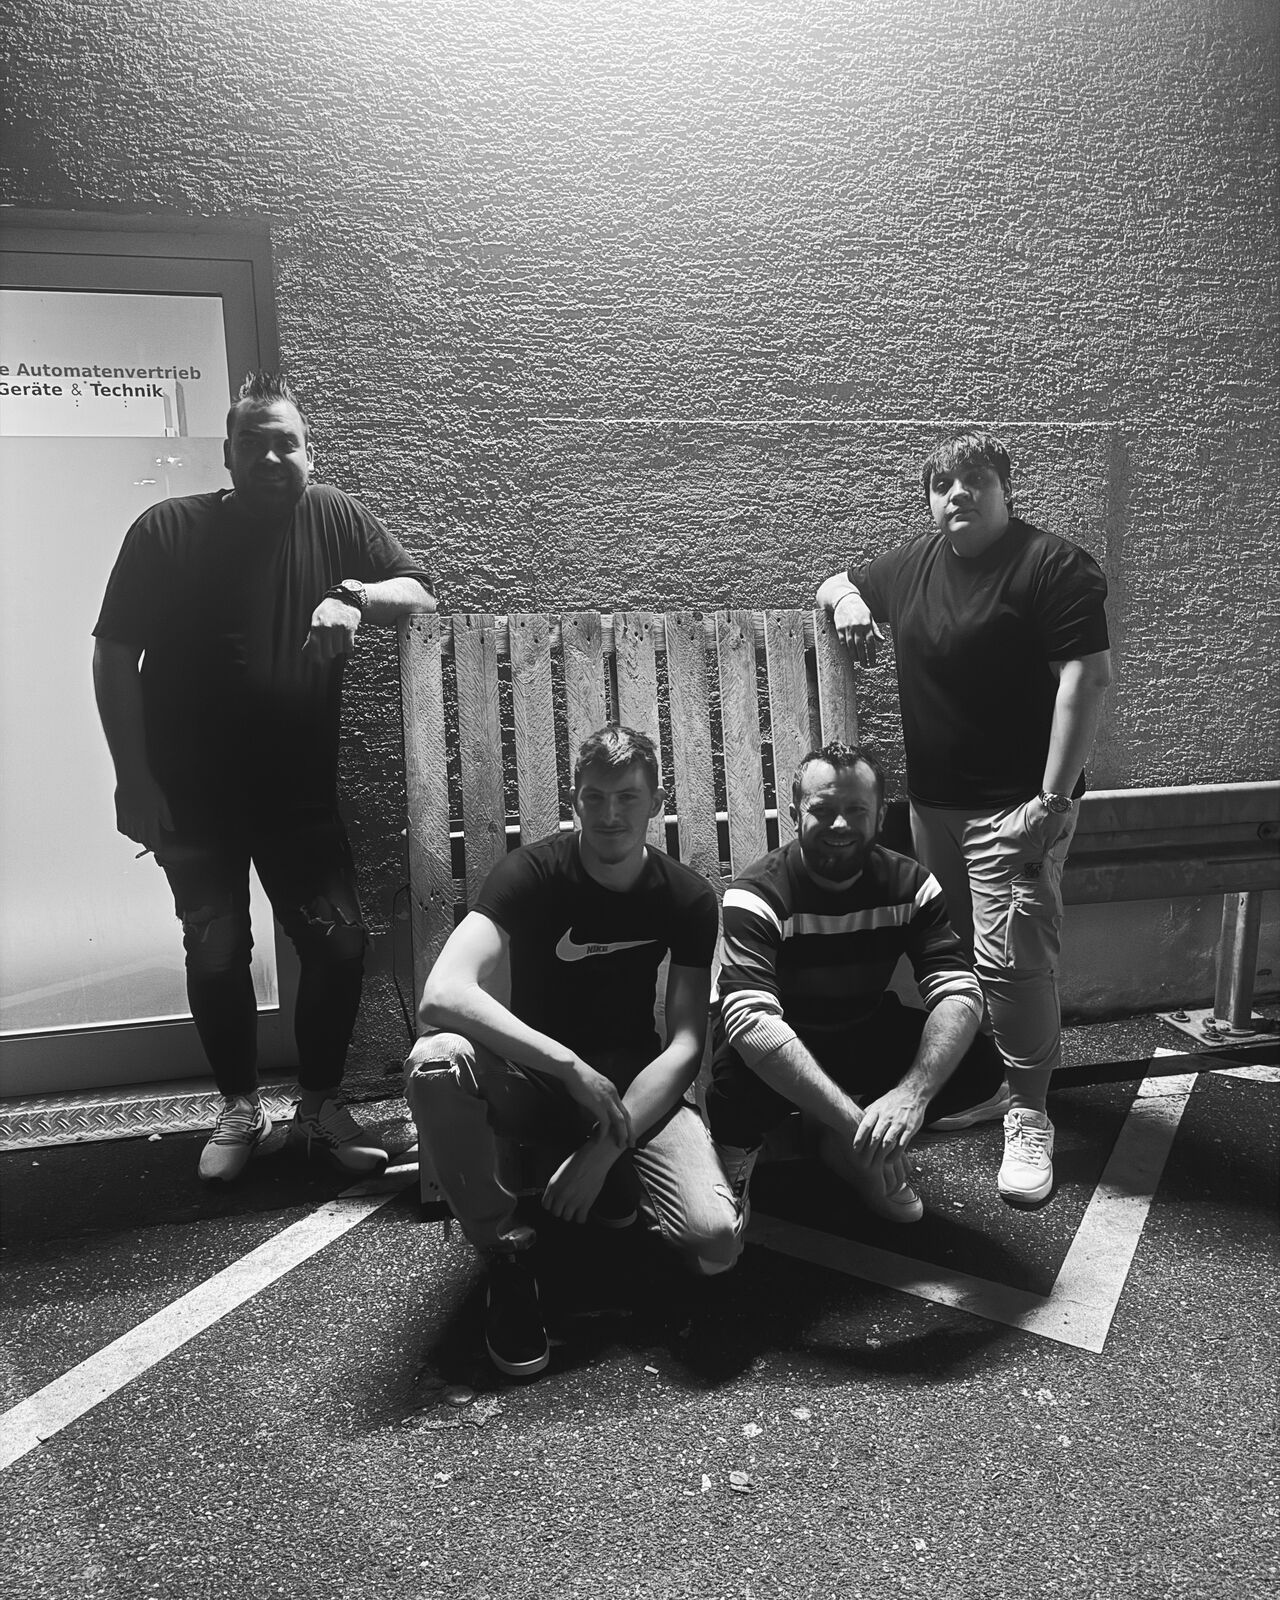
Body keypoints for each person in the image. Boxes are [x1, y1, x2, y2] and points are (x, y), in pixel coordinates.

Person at [93, 372, 436, 1183]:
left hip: (297, 797)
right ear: (228, 454)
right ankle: (240, 1108)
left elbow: (418, 592)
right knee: (216, 951)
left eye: (286, 442)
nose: (271, 456)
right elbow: (113, 655)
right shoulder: (167, 531)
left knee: (341, 947)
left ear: (309, 454)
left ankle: (317, 1110)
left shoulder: (334, 517)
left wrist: (353, 597)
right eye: (253, 442)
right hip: (190, 797)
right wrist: (131, 779)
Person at [817, 430, 1111, 1205]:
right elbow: (837, 579)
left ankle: (1031, 1114)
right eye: (943, 485)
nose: (958, 494)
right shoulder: (912, 565)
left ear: (1005, 490)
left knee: (1015, 966)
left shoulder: (1052, 565)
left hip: (1018, 811)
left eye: (975, 479)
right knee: (955, 959)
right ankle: (989, 1081)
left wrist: (1051, 802)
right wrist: (848, 600)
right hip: (934, 810)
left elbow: (1087, 679)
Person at [405, 725, 742, 1380]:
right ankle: (506, 1257)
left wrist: (605, 1148)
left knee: (716, 1239)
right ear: (575, 799)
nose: (610, 814)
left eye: (627, 797)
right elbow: (442, 994)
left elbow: (684, 1045)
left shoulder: (687, 897)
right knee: (437, 1059)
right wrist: (567, 1064)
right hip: (534, 1084)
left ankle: (615, 1187)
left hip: (629, 1090)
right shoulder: (530, 874)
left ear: (657, 802)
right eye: (594, 797)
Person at [707, 741, 1006, 1224]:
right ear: (795, 815)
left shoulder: (913, 885)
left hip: (858, 1025)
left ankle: (844, 1137)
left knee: (979, 1065)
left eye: (856, 810)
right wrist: (854, 1127)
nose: (840, 825)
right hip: (783, 1039)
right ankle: (750, 1158)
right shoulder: (755, 893)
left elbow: (959, 992)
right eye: (822, 810)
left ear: (880, 816)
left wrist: (911, 1096)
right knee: (733, 1083)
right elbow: (751, 1022)